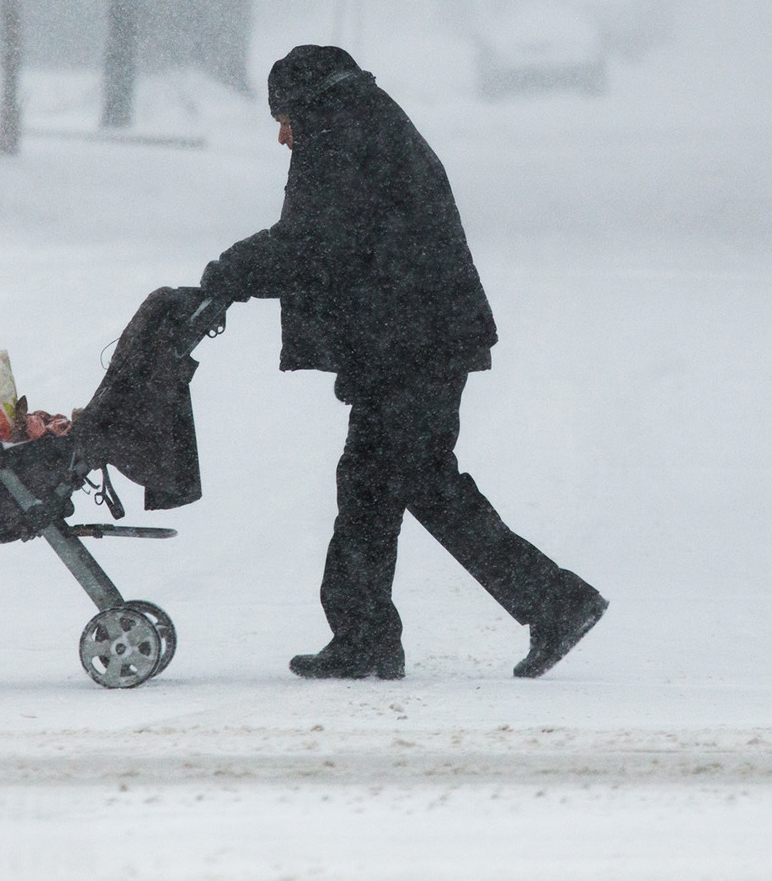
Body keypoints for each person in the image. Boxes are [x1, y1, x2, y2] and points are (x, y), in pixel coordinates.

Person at [200, 45, 607, 680]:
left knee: (413, 481)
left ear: (302, 102)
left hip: (412, 338)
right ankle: (367, 634)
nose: (281, 135)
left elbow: (314, 242)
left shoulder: (339, 130)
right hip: (413, 334)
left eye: (281, 117)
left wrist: (228, 274)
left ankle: (552, 601)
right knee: (377, 482)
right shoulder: (362, 117)